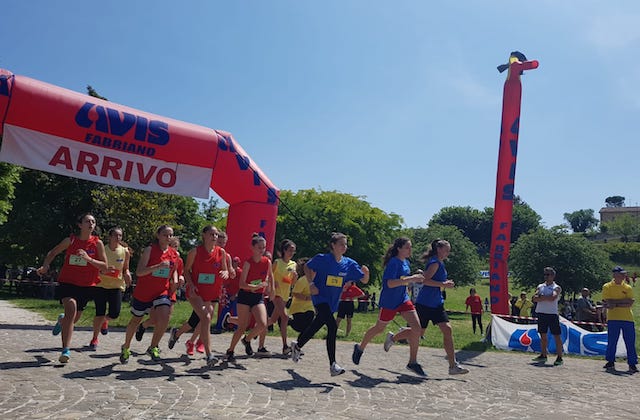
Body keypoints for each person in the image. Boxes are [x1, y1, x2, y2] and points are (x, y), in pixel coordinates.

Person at [291, 232, 369, 376]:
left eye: (345, 244)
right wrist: (311, 283)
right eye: (341, 244)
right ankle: (333, 365)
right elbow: (308, 267)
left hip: (333, 302)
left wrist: (366, 273)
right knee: (332, 326)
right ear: (333, 245)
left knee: (315, 326)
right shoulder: (322, 259)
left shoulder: (349, 263)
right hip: (319, 298)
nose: (344, 247)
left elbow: (363, 280)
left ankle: (297, 345)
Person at [386, 239, 468, 375]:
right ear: (439, 249)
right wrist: (443, 284)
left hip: (437, 303)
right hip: (425, 303)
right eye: (446, 250)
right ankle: (393, 338)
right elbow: (426, 281)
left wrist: (444, 283)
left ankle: (453, 365)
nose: (448, 253)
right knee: (418, 332)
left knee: (447, 330)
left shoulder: (440, 263)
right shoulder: (435, 263)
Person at [37, 213, 108, 363]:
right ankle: (65, 350)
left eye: (93, 221)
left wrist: (88, 259)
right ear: (80, 224)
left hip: (87, 285)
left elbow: (104, 266)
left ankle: (62, 321)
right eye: (87, 221)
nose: (91, 224)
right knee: (71, 308)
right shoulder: (71, 240)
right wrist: (45, 266)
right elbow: (53, 252)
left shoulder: (97, 243)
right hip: (68, 282)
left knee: (73, 318)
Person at [351, 237, 426, 376]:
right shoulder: (393, 263)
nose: (410, 250)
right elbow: (390, 283)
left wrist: (410, 284)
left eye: (410, 247)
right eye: (407, 247)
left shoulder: (406, 263)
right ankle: (360, 348)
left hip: (403, 299)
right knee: (379, 328)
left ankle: (413, 362)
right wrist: (411, 279)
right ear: (399, 249)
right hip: (390, 301)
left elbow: (403, 281)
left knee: (417, 328)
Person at [120, 225, 180, 363]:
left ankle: (153, 347)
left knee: (164, 318)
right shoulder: (150, 250)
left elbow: (174, 269)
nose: (168, 237)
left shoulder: (174, 254)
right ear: (158, 235)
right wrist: (157, 267)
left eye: (170, 235)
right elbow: (140, 272)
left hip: (161, 291)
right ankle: (126, 346)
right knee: (136, 320)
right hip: (144, 292)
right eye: (165, 234)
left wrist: (176, 279)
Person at [170, 226, 229, 367]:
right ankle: (209, 355)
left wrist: (226, 273)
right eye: (211, 234)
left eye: (216, 234)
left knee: (197, 320)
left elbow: (225, 269)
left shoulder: (221, 252)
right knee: (206, 317)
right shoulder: (195, 252)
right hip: (195, 292)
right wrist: (191, 283)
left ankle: (177, 334)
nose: (214, 237)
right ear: (204, 235)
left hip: (211, 292)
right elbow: (186, 270)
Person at [224, 234, 274, 362]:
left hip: (258, 296)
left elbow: (269, 276)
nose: (262, 250)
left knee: (263, 323)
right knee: (242, 326)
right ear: (252, 248)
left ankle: (247, 340)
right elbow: (242, 284)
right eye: (259, 247)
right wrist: (254, 286)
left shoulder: (267, 262)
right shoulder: (248, 263)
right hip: (245, 296)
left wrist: (271, 289)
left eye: (263, 247)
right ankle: (230, 350)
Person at [89, 227, 132, 349]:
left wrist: (127, 273)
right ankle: (94, 339)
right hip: (101, 284)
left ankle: (105, 321)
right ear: (110, 237)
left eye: (120, 236)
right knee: (99, 312)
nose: (118, 238)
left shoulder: (125, 251)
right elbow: (94, 266)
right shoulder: (102, 249)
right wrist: (103, 272)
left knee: (115, 313)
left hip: (116, 285)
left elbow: (125, 268)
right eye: (115, 235)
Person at [264, 239, 298, 355]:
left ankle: (252, 334)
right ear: (284, 250)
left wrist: (295, 277)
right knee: (284, 317)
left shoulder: (293, 264)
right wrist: (272, 284)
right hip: (276, 293)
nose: (291, 253)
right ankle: (285, 346)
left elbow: (291, 283)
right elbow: (268, 276)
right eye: (289, 250)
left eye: (293, 251)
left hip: (285, 295)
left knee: (272, 320)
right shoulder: (277, 262)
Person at [602, 266, 637, 373]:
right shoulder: (607, 286)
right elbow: (607, 302)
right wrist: (622, 302)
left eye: (624, 274)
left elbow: (630, 303)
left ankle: (632, 363)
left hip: (627, 318)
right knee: (612, 341)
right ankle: (610, 361)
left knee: (630, 341)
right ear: (614, 275)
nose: (623, 276)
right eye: (621, 274)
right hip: (613, 318)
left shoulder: (627, 287)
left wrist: (615, 303)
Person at [531, 267, 564, 366]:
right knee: (543, 335)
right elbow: (534, 298)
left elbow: (553, 298)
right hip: (541, 313)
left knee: (556, 336)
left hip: (552, 314)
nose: (546, 277)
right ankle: (543, 354)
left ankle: (559, 357)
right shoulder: (540, 286)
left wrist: (541, 298)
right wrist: (544, 297)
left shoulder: (556, 287)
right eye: (545, 275)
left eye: (548, 275)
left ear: (553, 276)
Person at [288, 258, 314, 333]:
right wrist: (306, 297)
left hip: (310, 307)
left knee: (307, 327)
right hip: (298, 307)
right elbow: (295, 293)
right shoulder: (303, 280)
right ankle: (289, 321)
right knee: (300, 327)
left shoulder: (317, 280)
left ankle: (299, 343)